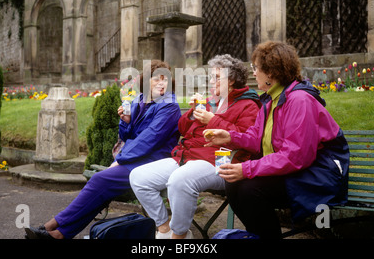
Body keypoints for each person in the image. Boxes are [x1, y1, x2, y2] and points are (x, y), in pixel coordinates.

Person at [204, 41, 350, 239]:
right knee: (234, 183)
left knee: (249, 188)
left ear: (270, 73)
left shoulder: (299, 101)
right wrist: (230, 137)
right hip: (295, 172)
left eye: (256, 68)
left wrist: (246, 169)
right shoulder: (270, 100)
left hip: (317, 175)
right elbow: (256, 139)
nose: (253, 73)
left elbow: (296, 157)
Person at [25, 60, 182, 239]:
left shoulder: (169, 106)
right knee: (101, 183)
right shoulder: (141, 101)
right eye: (156, 79)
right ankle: (58, 232)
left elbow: (149, 140)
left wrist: (119, 160)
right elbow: (126, 137)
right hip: (135, 159)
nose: (162, 83)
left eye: (165, 79)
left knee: (100, 180)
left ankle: (53, 228)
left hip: (153, 162)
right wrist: (125, 120)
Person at [130, 54, 261, 239]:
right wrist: (192, 113)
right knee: (138, 177)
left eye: (216, 77)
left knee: (180, 181)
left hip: (220, 162)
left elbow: (247, 140)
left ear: (231, 80)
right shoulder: (211, 101)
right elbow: (182, 129)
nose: (211, 81)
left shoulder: (248, 105)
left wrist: (213, 120)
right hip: (188, 157)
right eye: (210, 76)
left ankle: (180, 236)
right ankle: (164, 229)